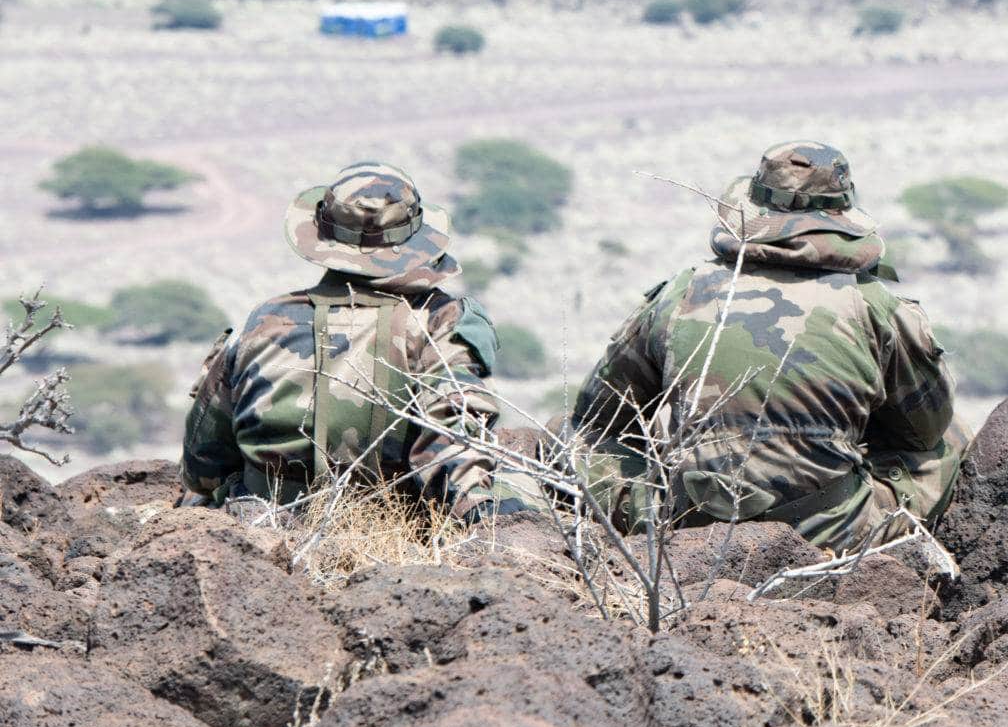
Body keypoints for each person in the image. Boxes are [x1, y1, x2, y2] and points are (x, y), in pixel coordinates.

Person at [566, 140, 967, 548]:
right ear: (841, 214)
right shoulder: (874, 305)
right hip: (831, 533)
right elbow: (922, 431)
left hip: (689, 525)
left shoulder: (681, 293)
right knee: (950, 439)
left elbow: (600, 415)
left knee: (576, 439)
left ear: (751, 208)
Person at [181, 162, 523, 520]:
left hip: (264, 521)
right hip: (393, 525)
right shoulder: (439, 320)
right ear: (414, 240)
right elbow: (453, 446)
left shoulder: (264, 319)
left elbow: (201, 468)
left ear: (323, 237)